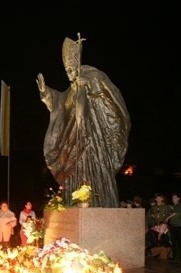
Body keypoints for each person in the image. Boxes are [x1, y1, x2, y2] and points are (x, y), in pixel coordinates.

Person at [36, 34, 130, 208]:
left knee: (95, 171)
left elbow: (111, 100)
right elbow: (59, 104)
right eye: (68, 72)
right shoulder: (70, 91)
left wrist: (90, 85)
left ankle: (101, 201)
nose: (70, 75)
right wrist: (46, 92)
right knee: (75, 175)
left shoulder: (93, 77)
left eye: (72, 71)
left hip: (93, 143)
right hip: (73, 147)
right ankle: (76, 201)